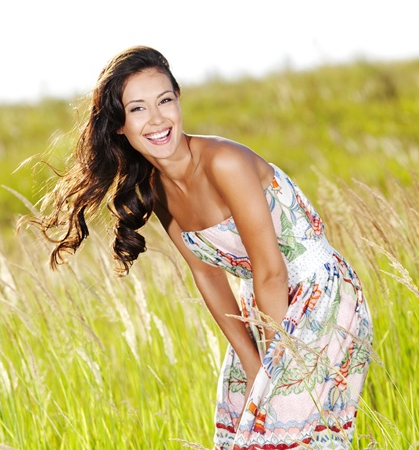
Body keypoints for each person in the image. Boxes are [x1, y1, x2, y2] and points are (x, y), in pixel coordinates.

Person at [30, 45, 373, 449]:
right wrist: (250, 360)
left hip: (319, 294)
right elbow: (205, 273)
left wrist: (272, 367)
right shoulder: (156, 189)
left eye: (165, 101)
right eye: (138, 108)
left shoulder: (225, 162)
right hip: (261, 304)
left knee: (281, 438)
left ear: (178, 100)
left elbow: (271, 270)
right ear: (119, 124)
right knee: (241, 430)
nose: (157, 119)